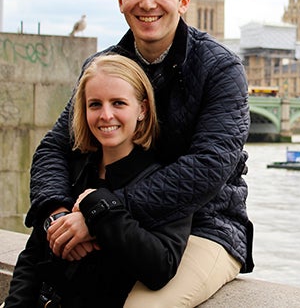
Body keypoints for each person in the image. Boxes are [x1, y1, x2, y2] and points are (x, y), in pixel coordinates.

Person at [21, 0, 253, 306]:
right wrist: (57, 213)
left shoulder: (221, 69)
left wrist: (101, 213)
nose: (148, 3)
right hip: (118, 222)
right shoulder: (102, 66)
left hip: (206, 225)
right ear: (120, 0)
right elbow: (55, 147)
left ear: (184, 1)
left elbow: (209, 167)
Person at [4, 54, 193, 307]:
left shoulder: (163, 179)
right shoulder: (73, 168)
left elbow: (159, 266)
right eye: (95, 104)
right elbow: (32, 257)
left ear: (142, 109)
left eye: (118, 103)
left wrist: (99, 207)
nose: (106, 115)